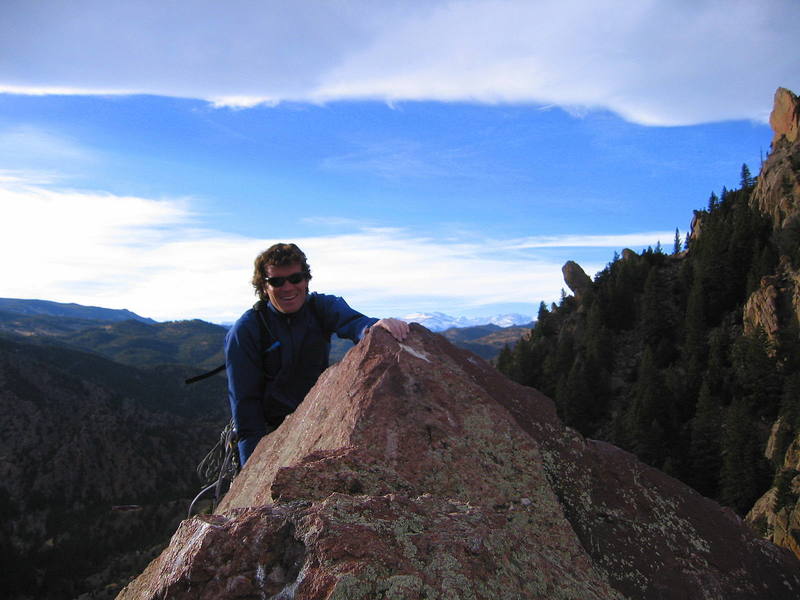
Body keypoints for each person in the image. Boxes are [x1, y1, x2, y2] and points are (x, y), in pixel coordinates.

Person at [225, 242, 409, 465]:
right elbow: (246, 405)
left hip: (315, 420)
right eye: (276, 281)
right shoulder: (247, 330)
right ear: (264, 287)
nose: (288, 287)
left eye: (295, 278)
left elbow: (353, 322)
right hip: (270, 431)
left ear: (306, 280)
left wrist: (374, 327)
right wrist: (250, 469)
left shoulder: (320, 307)